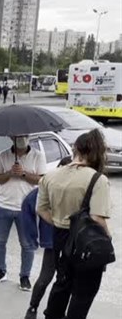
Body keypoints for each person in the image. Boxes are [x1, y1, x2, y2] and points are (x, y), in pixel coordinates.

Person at [37, 129, 111, 319]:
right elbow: (97, 218)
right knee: (83, 292)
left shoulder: (50, 176)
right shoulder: (97, 179)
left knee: (62, 282)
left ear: (75, 149)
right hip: (86, 241)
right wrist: (107, 238)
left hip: (61, 238)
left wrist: (60, 223)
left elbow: (42, 209)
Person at [0, 135, 47, 291]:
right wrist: (9, 173)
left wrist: (22, 173)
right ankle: (1, 271)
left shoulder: (38, 156)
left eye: (25, 135)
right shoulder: (3, 155)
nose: (21, 138)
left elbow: (41, 180)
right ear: (11, 137)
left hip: (26, 207)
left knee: (27, 245)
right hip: (3, 205)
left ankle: (24, 276)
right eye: (17, 136)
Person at [22, 157, 72, 319]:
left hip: (70, 241)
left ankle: (56, 311)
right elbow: (28, 205)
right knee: (46, 277)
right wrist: (32, 237)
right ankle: (33, 307)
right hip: (52, 241)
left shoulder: (76, 188)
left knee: (64, 278)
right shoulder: (46, 187)